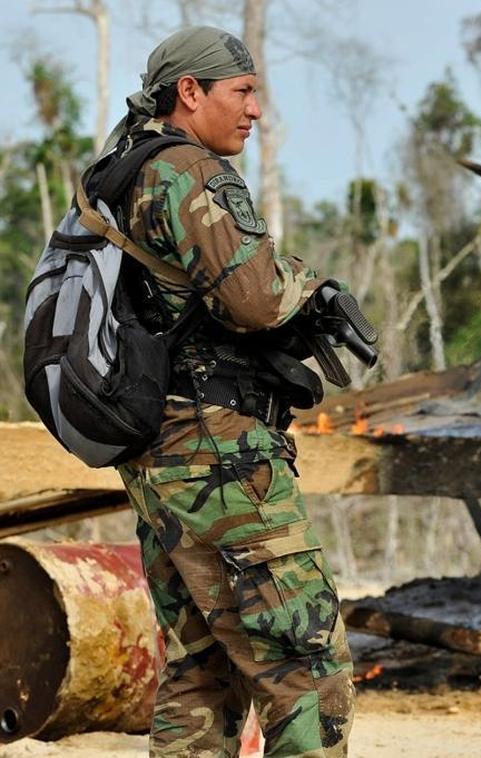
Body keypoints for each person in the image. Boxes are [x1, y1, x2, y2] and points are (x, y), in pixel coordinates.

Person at [108, 27, 354, 756]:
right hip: (218, 453)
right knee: (307, 664)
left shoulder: (124, 168)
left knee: (204, 667)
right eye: (241, 93)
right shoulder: (188, 168)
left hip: (162, 449)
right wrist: (310, 285)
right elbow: (254, 298)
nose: (255, 111)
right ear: (190, 92)